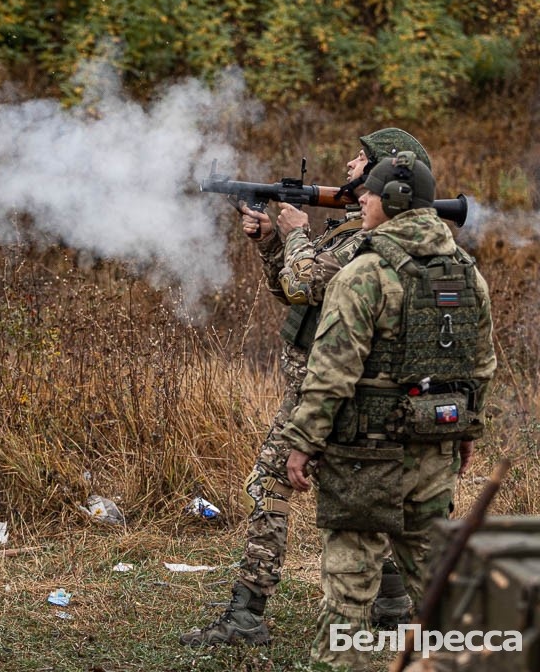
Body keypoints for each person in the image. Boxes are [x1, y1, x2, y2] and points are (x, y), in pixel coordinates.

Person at [179, 128, 430, 648]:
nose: (348, 164)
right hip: (335, 387)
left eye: (361, 159)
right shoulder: (356, 229)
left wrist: (293, 231)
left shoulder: (371, 240)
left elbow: (303, 281)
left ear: (386, 172)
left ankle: (246, 613)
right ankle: (392, 601)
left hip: (326, 389)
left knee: (270, 484)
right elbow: (295, 292)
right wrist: (272, 239)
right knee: (360, 492)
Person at [282, 152, 496, 671]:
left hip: (364, 460)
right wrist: (468, 431)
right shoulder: (466, 274)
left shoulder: (365, 275)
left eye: (369, 195)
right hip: (433, 452)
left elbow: (330, 374)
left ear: (394, 202)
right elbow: (480, 366)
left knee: (348, 603)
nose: (362, 201)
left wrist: (303, 441)